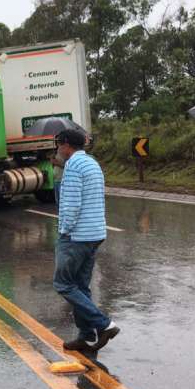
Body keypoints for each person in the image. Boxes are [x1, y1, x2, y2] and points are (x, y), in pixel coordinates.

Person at [53, 130, 119, 352]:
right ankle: (86, 335)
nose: (57, 150)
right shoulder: (92, 163)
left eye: (58, 144)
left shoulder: (73, 166)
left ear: (66, 145)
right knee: (80, 286)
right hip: (95, 234)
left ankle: (104, 324)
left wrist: (64, 231)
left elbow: (72, 204)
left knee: (63, 283)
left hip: (77, 236)